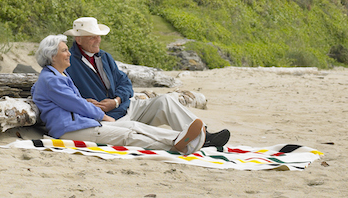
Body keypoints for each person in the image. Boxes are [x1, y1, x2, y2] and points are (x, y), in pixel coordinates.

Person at [63, 16, 230, 149]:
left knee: (165, 100)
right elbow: (67, 95)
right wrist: (91, 105)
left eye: (98, 36)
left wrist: (116, 101)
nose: (98, 40)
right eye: (92, 37)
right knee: (135, 127)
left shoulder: (104, 57)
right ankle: (189, 139)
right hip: (109, 120)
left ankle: (204, 135)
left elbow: (126, 83)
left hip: (126, 107)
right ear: (79, 40)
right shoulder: (68, 63)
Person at [32, 34, 206, 153]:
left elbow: (70, 100)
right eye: (64, 50)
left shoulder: (58, 75)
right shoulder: (52, 79)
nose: (68, 53)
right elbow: (74, 104)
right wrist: (102, 115)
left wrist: (111, 101)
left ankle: (180, 137)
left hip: (81, 122)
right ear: (52, 56)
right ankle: (179, 145)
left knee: (133, 126)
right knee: (127, 135)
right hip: (71, 128)